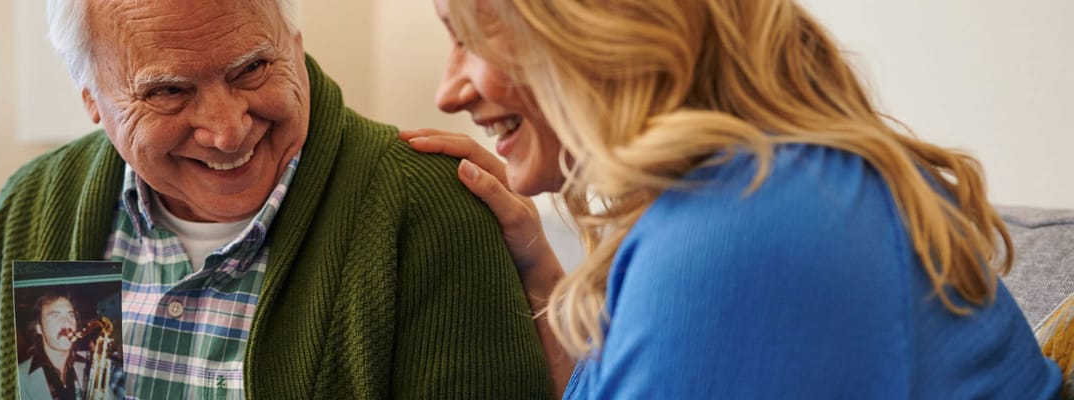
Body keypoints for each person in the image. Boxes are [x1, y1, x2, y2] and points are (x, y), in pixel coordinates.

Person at [405, 0, 1070, 398]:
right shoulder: (773, 189)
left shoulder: (744, 231)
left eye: (470, 34)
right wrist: (541, 275)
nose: (448, 90)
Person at [0, 0, 552, 398]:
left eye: (251, 69)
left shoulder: (425, 213)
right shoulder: (37, 206)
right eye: (168, 91)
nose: (227, 129)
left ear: (293, 39)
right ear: (91, 100)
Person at [18, 292, 83, 400]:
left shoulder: (91, 367)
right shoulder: (19, 378)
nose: (67, 323)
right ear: (39, 328)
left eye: (71, 315)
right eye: (55, 316)